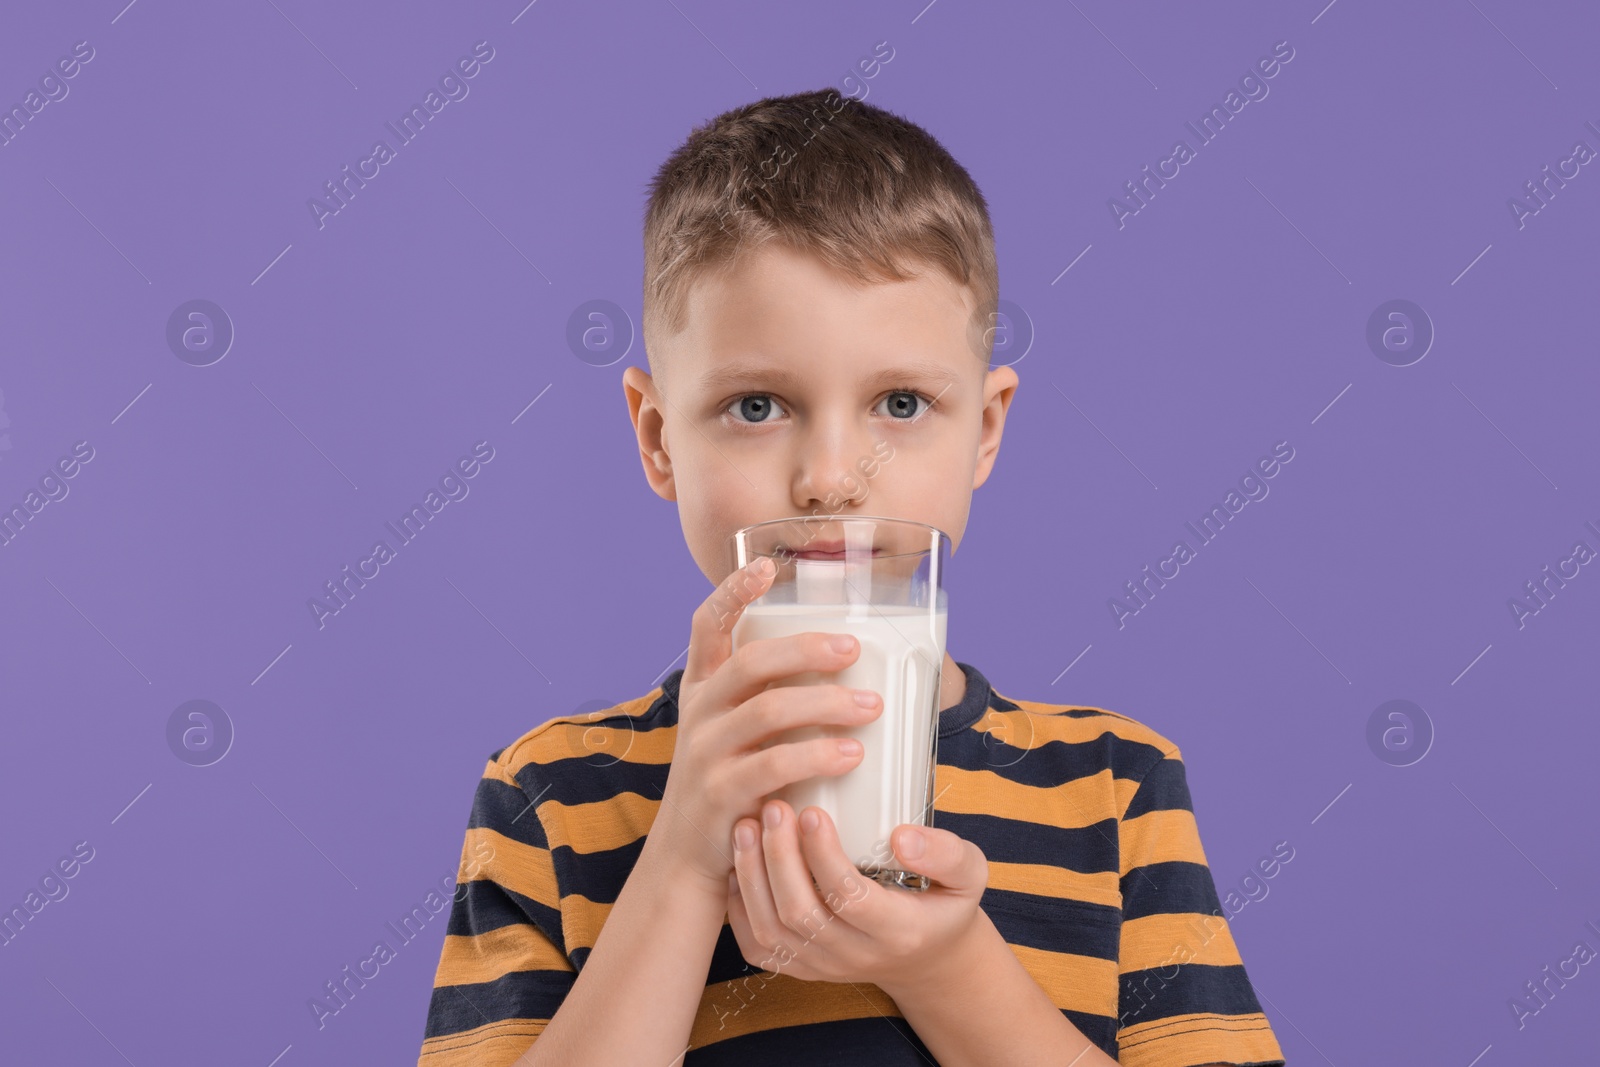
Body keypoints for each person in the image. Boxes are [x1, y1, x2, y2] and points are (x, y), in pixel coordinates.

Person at [416, 88, 1287, 1067]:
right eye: (756, 405)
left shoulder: (1113, 788)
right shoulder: (550, 796)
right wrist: (683, 861)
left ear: (985, 430)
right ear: (659, 437)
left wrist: (949, 966)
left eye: (901, 401)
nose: (832, 476)